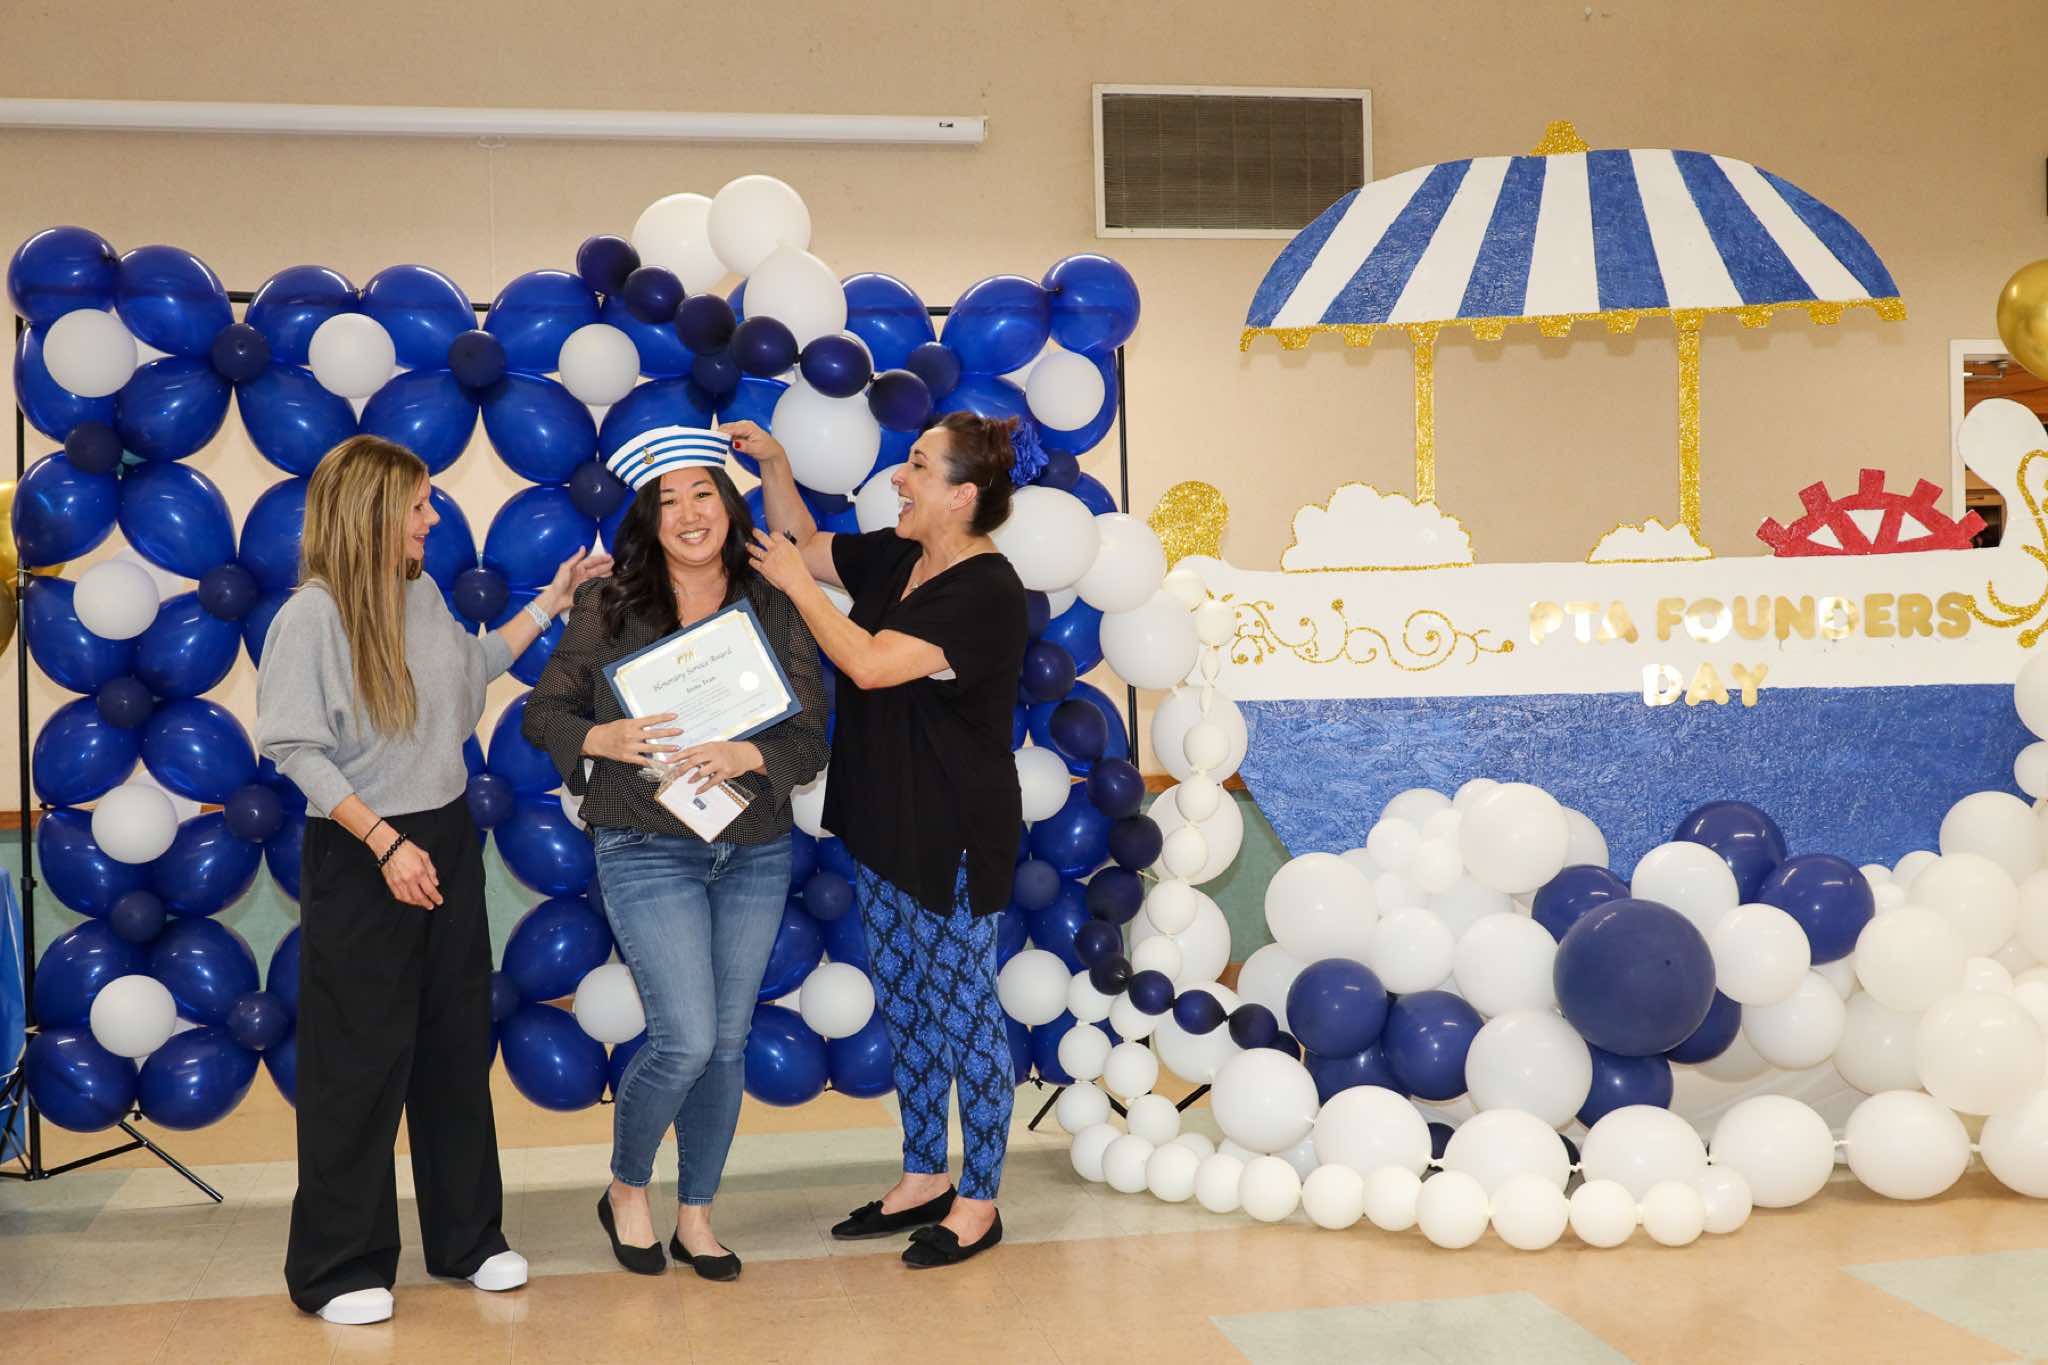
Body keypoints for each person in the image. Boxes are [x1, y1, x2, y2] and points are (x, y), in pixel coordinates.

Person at [257, 434, 609, 1325]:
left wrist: (552, 604)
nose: (432, 518)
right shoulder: (311, 616)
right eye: (418, 505)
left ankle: (469, 1240)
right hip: (361, 849)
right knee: (358, 1063)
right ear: (373, 513)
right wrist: (384, 843)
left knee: (454, 1046)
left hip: (443, 837)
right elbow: (294, 747)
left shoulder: (420, 592)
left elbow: (469, 670)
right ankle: (338, 1265)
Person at [523, 424, 828, 1280]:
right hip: (645, 843)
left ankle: (697, 1213)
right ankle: (628, 1186)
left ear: (727, 504)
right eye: (668, 501)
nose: (689, 514)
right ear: (648, 519)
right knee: (686, 1039)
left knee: (727, 1044)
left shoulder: (773, 596)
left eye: (702, 494)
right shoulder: (610, 600)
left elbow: (811, 735)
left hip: (754, 848)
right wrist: (602, 737)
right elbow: (544, 714)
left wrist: (750, 754)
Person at [728, 411, 1032, 1269]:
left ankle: (979, 1200)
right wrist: (777, 463)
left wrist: (798, 587)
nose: (899, 476)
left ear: (963, 495)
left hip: (953, 835)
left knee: (966, 1013)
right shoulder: (901, 554)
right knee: (908, 1006)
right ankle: (923, 1174)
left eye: (919, 466)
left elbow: (866, 662)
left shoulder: (986, 591)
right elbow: (803, 539)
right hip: (882, 820)